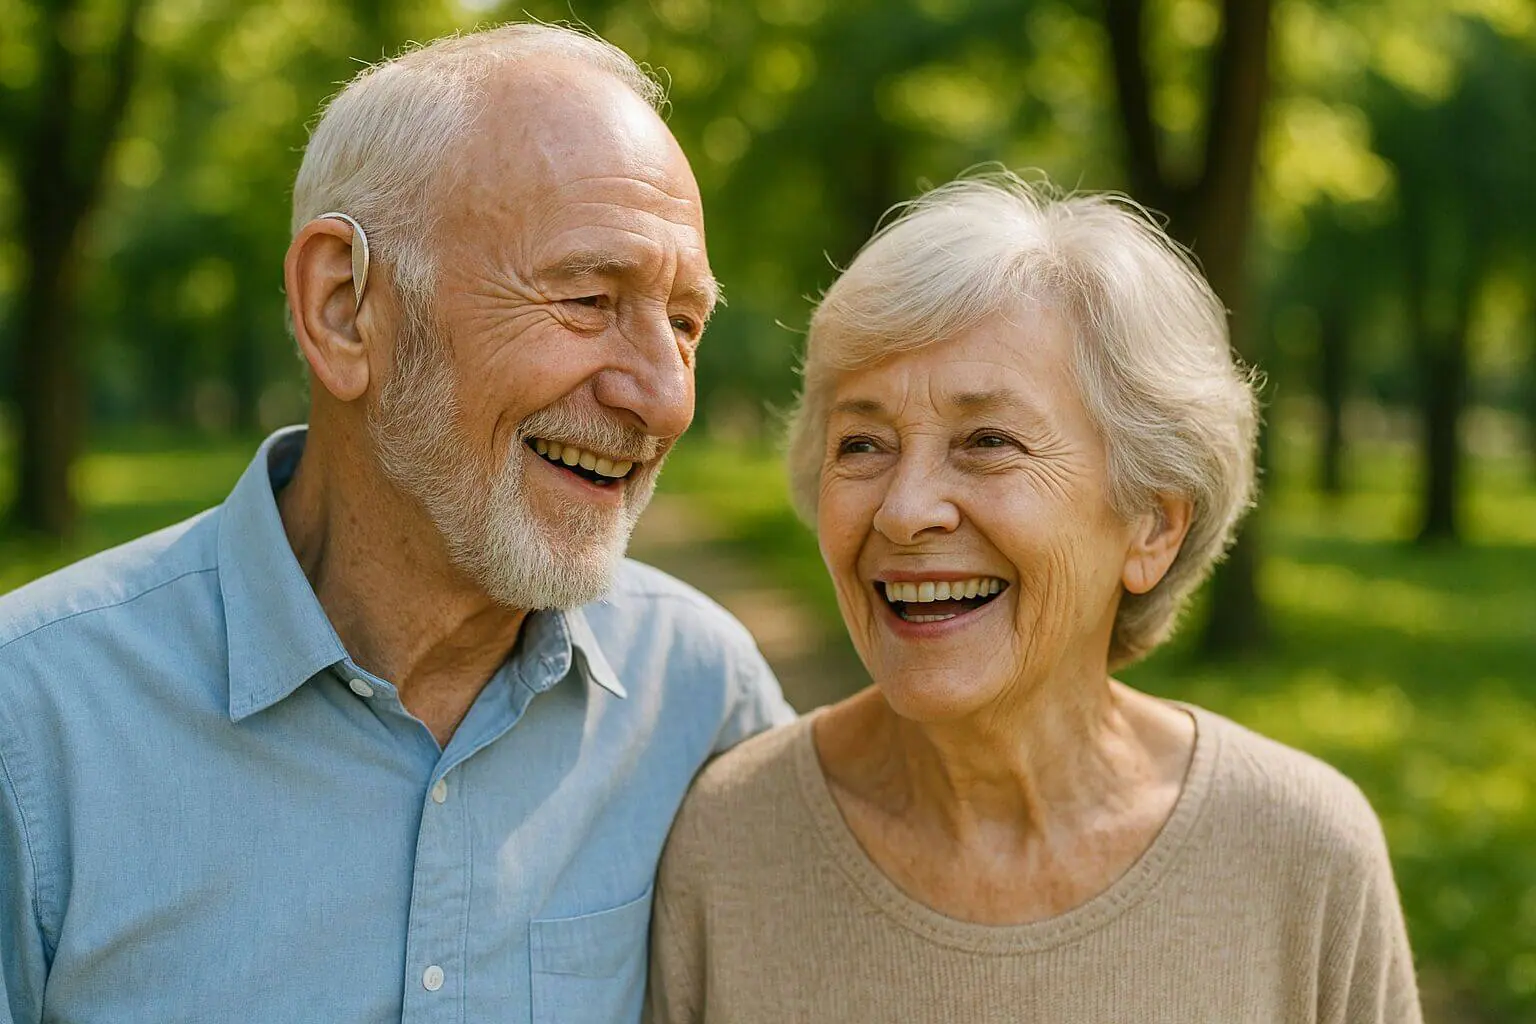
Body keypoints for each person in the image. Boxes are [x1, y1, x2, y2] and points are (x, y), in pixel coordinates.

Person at [0, 24, 792, 1024]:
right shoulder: (29, 728)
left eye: (684, 322)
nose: (665, 398)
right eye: (590, 298)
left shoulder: (705, 703)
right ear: (343, 308)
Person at [647, 174, 1423, 1023]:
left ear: (1151, 525)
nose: (905, 512)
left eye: (988, 442)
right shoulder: (728, 846)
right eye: (862, 443)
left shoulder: (1302, 854)